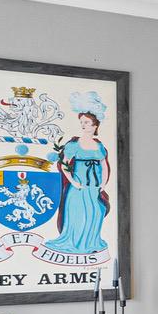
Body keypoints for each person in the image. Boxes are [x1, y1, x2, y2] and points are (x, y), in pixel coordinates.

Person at [54, 91, 112, 255]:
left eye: (86, 122)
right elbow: (65, 164)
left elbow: (104, 165)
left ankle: (91, 243)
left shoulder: (99, 145)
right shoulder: (74, 144)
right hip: (79, 185)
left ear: (95, 125)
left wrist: (103, 183)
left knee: (96, 212)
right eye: (82, 122)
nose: (83, 125)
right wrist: (73, 182)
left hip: (94, 185)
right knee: (78, 214)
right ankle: (76, 245)